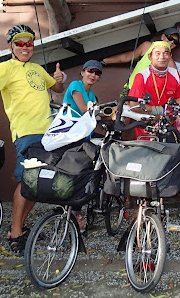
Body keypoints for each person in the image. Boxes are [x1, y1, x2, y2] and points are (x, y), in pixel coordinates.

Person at [0, 24, 65, 256]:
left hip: (48, 133)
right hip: (26, 132)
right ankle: (15, 234)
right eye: (20, 43)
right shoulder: (6, 67)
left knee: (38, 183)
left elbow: (56, 87)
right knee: (26, 181)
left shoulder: (37, 68)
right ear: (11, 47)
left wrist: (60, 78)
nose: (25, 47)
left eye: (29, 43)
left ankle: (20, 227)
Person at [127, 40, 180, 221]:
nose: (162, 56)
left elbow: (179, 99)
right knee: (147, 167)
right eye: (158, 53)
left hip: (169, 126)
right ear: (150, 57)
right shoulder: (142, 76)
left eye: (165, 53)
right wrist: (157, 110)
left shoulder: (174, 75)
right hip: (147, 128)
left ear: (170, 56)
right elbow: (133, 105)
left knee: (178, 163)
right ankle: (146, 210)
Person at [103, 27, 180, 103]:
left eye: (175, 42)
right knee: (122, 114)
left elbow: (178, 80)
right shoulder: (148, 46)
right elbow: (127, 57)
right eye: (170, 38)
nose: (171, 42)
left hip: (148, 96)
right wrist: (104, 61)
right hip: (131, 89)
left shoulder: (168, 60)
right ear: (162, 37)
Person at [62, 59, 103, 231]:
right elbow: (84, 109)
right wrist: (101, 111)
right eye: (90, 71)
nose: (93, 75)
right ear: (83, 72)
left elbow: (95, 113)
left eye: (97, 73)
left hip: (84, 136)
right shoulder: (76, 86)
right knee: (77, 172)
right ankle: (74, 211)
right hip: (71, 136)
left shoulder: (91, 94)